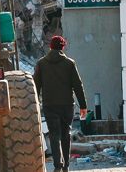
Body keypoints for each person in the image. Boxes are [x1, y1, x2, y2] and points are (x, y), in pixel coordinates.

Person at [34, 35, 87, 171]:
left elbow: (35, 86)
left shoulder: (41, 63)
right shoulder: (69, 63)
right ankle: (66, 167)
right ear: (63, 47)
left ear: (50, 47)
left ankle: (58, 166)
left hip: (50, 105)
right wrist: (83, 105)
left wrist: (36, 105)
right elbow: (78, 85)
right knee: (66, 134)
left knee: (54, 135)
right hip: (67, 105)